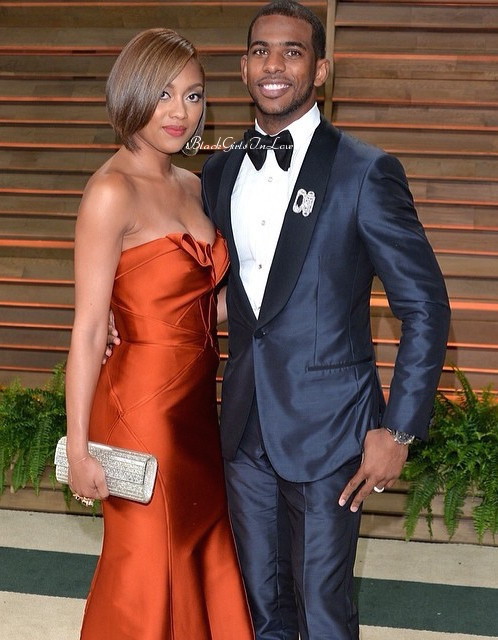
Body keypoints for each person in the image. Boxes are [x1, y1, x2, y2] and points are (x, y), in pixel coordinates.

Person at [200, 2, 452, 639]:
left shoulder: (365, 171)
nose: (274, 65)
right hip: (245, 430)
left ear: (321, 70)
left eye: (292, 51)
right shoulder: (219, 170)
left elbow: (425, 306)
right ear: (243, 66)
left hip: (332, 431)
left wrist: (398, 429)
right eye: (261, 50)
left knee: (322, 611)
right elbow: (212, 288)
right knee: (262, 608)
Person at [64, 28, 253, 640]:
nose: (180, 111)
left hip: (197, 407)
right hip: (139, 410)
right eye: (164, 94)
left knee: (196, 547)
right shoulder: (110, 191)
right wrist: (79, 446)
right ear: (131, 95)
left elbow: (200, 308)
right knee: (147, 562)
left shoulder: (193, 186)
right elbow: (91, 328)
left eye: (194, 96)